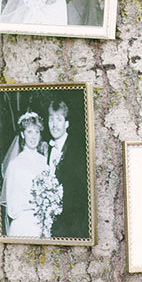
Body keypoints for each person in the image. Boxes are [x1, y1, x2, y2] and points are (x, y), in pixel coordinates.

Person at [1, 111, 50, 238]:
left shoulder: (45, 161)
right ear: (23, 134)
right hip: (23, 223)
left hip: (43, 223)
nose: (33, 136)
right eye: (29, 132)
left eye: (37, 132)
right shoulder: (15, 164)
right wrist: (31, 204)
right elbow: (11, 207)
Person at [48, 98, 89, 238]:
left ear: (67, 123)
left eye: (59, 119)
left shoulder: (78, 151)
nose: (54, 125)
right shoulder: (46, 149)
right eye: (51, 119)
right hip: (51, 225)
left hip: (72, 227)